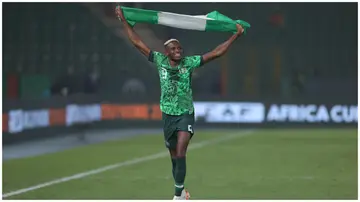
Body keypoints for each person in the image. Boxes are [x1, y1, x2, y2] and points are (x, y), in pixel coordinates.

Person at [115, 6, 244, 200]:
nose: (178, 51)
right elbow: (136, 42)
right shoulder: (159, 60)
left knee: (182, 149)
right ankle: (182, 191)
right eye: (173, 49)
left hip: (185, 113)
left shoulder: (189, 63)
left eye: (179, 48)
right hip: (168, 114)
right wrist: (124, 20)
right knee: (174, 156)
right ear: (166, 52)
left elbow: (216, 53)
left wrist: (235, 36)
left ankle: (177, 195)